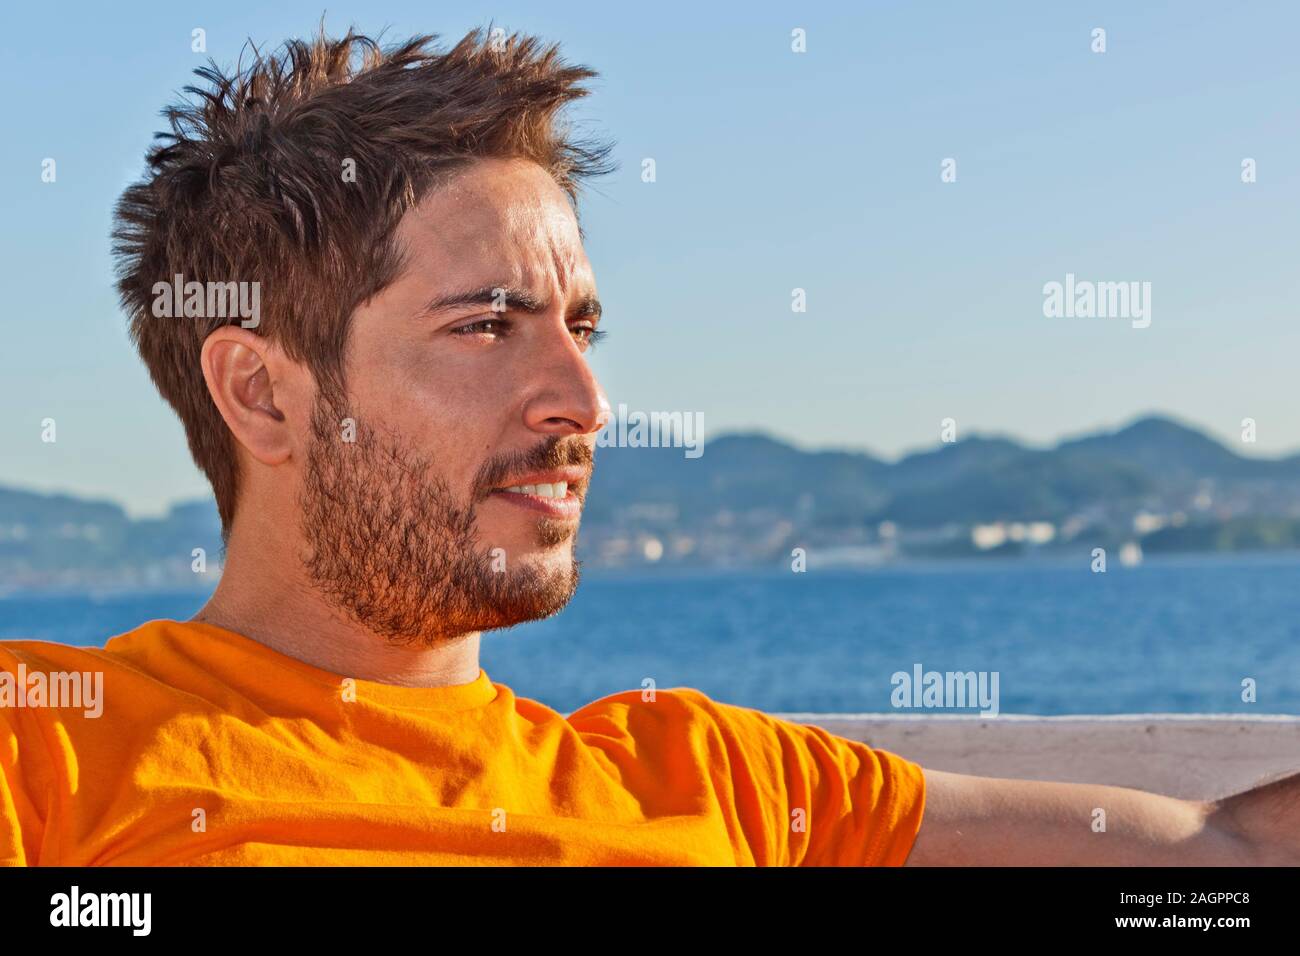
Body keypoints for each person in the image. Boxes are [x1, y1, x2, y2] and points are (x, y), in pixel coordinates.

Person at [1, 26, 1295, 866]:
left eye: (583, 329)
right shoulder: (50, 754)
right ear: (265, 397)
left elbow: (1216, 857)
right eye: (486, 327)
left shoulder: (710, 780)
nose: (583, 399)